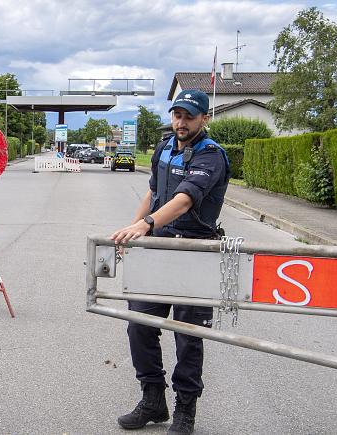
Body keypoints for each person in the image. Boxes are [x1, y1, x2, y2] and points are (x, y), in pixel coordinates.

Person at [110, 89, 230, 435]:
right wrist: (135, 229)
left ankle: (185, 411)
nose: (181, 122)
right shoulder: (164, 147)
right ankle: (152, 400)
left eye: (189, 116)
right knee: (139, 324)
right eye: (177, 115)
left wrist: (146, 225)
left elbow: (183, 200)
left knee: (187, 336)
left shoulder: (211, 156)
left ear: (204, 118)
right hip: (158, 251)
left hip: (194, 253)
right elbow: (153, 193)